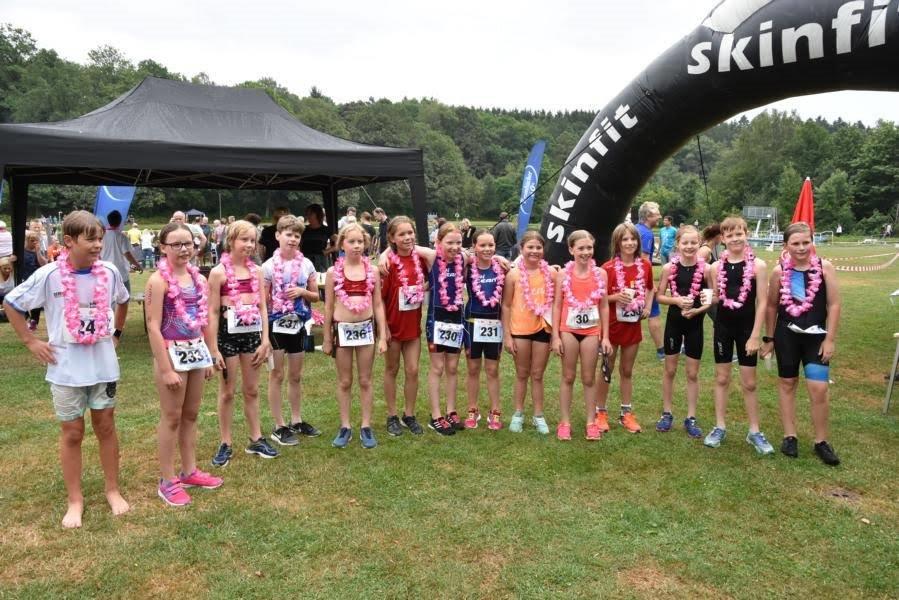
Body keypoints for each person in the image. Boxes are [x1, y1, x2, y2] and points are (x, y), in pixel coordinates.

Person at [3, 210, 130, 528]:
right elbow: (12, 303)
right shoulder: (49, 275)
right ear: (69, 241)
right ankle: (75, 499)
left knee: (106, 427)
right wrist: (30, 341)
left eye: (100, 238)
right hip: (66, 369)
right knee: (72, 432)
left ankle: (112, 490)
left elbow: (123, 299)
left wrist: (116, 333)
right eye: (91, 239)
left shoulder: (110, 271)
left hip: (103, 367)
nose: (98, 244)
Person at [145, 222, 222, 507]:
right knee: (172, 416)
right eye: (176, 244)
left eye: (188, 243)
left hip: (195, 353)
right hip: (171, 354)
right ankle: (167, 480)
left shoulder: (199, 279)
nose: (183, 249)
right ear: (163, 247)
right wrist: (165, 368)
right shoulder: (158, 281)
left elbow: (205, 320)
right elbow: (153, 326)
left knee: (191, 414)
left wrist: (210, 353)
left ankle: (189, 471)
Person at [761, 222, 841, 465]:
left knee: (819, 388)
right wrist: (769, 339)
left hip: (816, 336)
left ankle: (821, 441)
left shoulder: (825, 268)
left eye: (806, 242)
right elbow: (771, 306)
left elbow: (834, 305)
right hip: (787, 336)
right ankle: (790, 436)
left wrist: (830, 339)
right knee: (788, 382)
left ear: (812, 242)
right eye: (795, 243)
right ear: (786, 245)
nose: (801, 248)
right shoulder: (779, 272)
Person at [207, 220, 275, 466]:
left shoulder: (257, 271)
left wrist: (265, 340)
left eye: (252, 240)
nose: (249, 244)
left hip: (252, 334)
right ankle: (225, 441)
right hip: (227, 335)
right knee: (227, 391)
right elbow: (213, 312)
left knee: (252, 389)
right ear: (231, 241)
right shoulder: (218, 273)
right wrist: (213, 347)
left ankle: (256, 437)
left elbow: (263, 307)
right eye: (244, 239)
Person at [703, 217, 773, 454]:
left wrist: (755, 335)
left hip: (747, 330)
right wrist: (701, 301)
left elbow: (762, 302)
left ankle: (754, 431)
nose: (735, 239)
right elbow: (717, 297)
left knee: (749, 383)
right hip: (723, 328)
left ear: (746, 234)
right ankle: (719, 426)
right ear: (722, 239)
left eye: (739, 234)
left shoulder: (758, 266)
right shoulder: (716, 267)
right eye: (730, 235)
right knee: (722, 378)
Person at [322, 223, 388, 448]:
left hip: (366, 329)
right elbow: (328, 307)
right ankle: (345, 425)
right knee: (345, 380)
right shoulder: (333, 273)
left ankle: (366, 425)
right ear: (342, 244)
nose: (357, 246)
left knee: (365, 379)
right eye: (351, 241)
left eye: (360, 241)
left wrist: (383, 335)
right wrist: (327, 338)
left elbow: (378, 304)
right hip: (342, 330)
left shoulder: (373, 271)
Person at [262, 215, 320, 446]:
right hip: (276, 325)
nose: (293, 239)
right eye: (288, 234)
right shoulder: (268, 266)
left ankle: (296, 420)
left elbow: (316, 296)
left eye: (297, 235)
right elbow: (263, 301)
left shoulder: (307, 264)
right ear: (278, 236)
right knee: (276, 374)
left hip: (298, 324)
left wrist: (302, 292)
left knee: (296, 375)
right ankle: (279, 425)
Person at [551, 230, 612, 441]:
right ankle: (564, 422)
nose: (586, 252)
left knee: (588, 378)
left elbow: (604, 306)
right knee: (568, 376)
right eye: (581, 248)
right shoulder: (563, 275)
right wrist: (555, 336)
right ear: (571, 250)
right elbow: (557, 305)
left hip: (591, 331)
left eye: (589, 248)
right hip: (568, 330)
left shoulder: (600, 274)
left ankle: (591, 422)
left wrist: (605, 336)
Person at [596, 223, 654, 434]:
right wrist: (616, 297)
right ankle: (600, 412)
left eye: (633, 239)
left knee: (627, 370)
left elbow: (650, 288)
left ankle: (626, 413)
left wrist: (647, 307)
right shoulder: (607, 268)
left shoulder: (645, 265)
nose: (629, 243)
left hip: (632, 327)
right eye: (625, 239)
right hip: (611, 327)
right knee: (607, 369)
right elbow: (599, 298)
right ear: (617, 243)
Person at [655, 225, 713, 438]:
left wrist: (699, 308)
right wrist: (677, 301)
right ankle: (666, 413)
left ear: (699, 244)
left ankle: (691, 417)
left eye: (693, 242)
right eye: (685, 243)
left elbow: (714, 297)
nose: (689, 246)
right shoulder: (669, 268)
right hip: (674, 323)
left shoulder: (706, 269)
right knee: (670, 370)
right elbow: (659, 296)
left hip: (695, 324)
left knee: (692, 373)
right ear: (677, 245)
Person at [379, 216, 432, 436]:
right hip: (393, 326)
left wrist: (423, 287)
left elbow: (443, 261)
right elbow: (379, 300)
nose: (408, 237)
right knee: (392, 369)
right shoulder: (387, 264)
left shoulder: (421, 259)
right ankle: (392, 415)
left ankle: (409, 414)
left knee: (413, 370)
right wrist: (383, 328)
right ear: (392, 238)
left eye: (410, 232)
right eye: (401, 234)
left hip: (412, 327)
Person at [501, 231, 554, 434]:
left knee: (538, 374)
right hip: (520, 329)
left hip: (543, 329)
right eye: (530, 247)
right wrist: (507, 335)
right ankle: (518, 413)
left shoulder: (551, 273)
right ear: (521, 249)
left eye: (538, 247)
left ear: (543, 250)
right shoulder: (513, 275)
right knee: (522, 373)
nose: (534, 251)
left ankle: (538, 415)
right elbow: (506, 305)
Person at [425, 222, 467, 435]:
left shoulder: (463, 258)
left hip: (456, 318)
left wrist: (499, 258)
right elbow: (406, 246)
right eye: (450, 242)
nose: (455, 247)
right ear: (438, 242)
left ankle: (451, 411)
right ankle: (435, 416)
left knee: (452, 367)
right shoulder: (432, 257)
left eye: (458, 242)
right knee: (437, 367)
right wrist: (386, 254)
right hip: (437, 318)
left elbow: (484, 255)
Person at [463, 230, 505, 430]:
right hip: (472, 323)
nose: (487, 249)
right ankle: (472, 409)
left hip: (494, 324)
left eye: (491, 245)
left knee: (492, 369)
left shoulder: (502, 268)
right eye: (482, 245)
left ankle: (495, 410)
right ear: (474, 247)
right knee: (473, 368)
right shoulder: (467, 268)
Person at [636, 202, 665, 360]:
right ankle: (661, 350)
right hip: (641, 281)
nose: (660, 216)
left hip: (629, 278)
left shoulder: (635, 229)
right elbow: (645, 260)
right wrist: (651, 284)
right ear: (648, 216)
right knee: (654, 313)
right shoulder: (646, 234)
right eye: (657, 214)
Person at [101, 210, 142, 294]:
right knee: (125, 297)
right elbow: (127, 254)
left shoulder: (101, 236)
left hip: (105, 272)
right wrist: (138, 265)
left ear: (108, 221)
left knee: (108, 298)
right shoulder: (122, 236)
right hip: (121, 273)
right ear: (120, 221)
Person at [21, 230, 48, 330]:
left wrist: (37, 252)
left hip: (36, 279)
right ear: (27, 241)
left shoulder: (39, 251)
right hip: (24, 279)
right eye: (32, 240)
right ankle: (26, 317)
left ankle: (34, 322)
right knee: (23, 300)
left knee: (36, 301)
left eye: (36, 241)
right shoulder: (22, 251)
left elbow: (43, 264)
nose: (35, 243)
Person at [301, 204, 331, 275]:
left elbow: (340, 241)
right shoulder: (303, 229)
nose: (308, 216)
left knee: (321, 279)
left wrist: (327, 251)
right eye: (307, 214)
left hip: (320, 261)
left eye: (310, 214)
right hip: (304, 260)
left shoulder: (326, 229)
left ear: (318, 214)